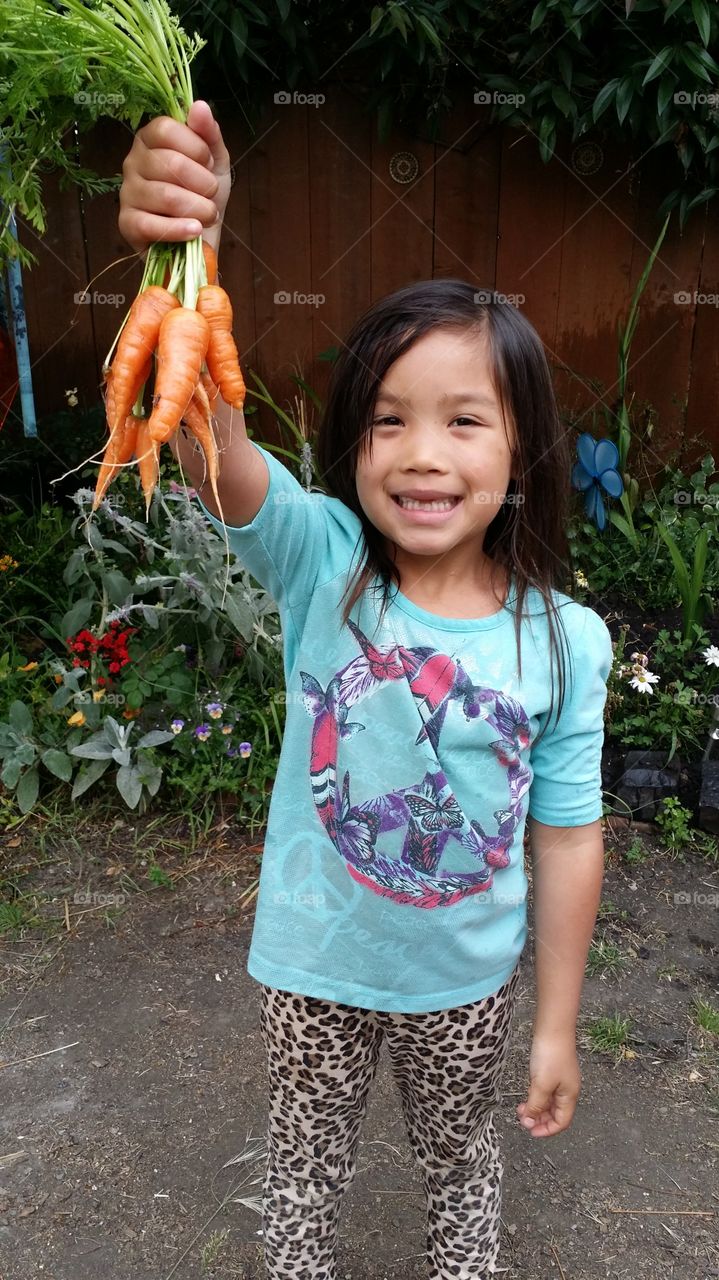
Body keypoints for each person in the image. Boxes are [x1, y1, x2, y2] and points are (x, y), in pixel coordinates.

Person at [119, 100, 614, 1280]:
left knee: (460, 1164)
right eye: (386, 420)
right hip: (311, 968)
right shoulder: (323, 560)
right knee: (304, 1161)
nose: (420, 452)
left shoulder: (565, 639)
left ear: (520, 448)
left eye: (462, 420)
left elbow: (568, 837)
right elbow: (210, 443)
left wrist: (553, 1021)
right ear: (352, 446)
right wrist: (183, 261)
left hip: (463, 984)